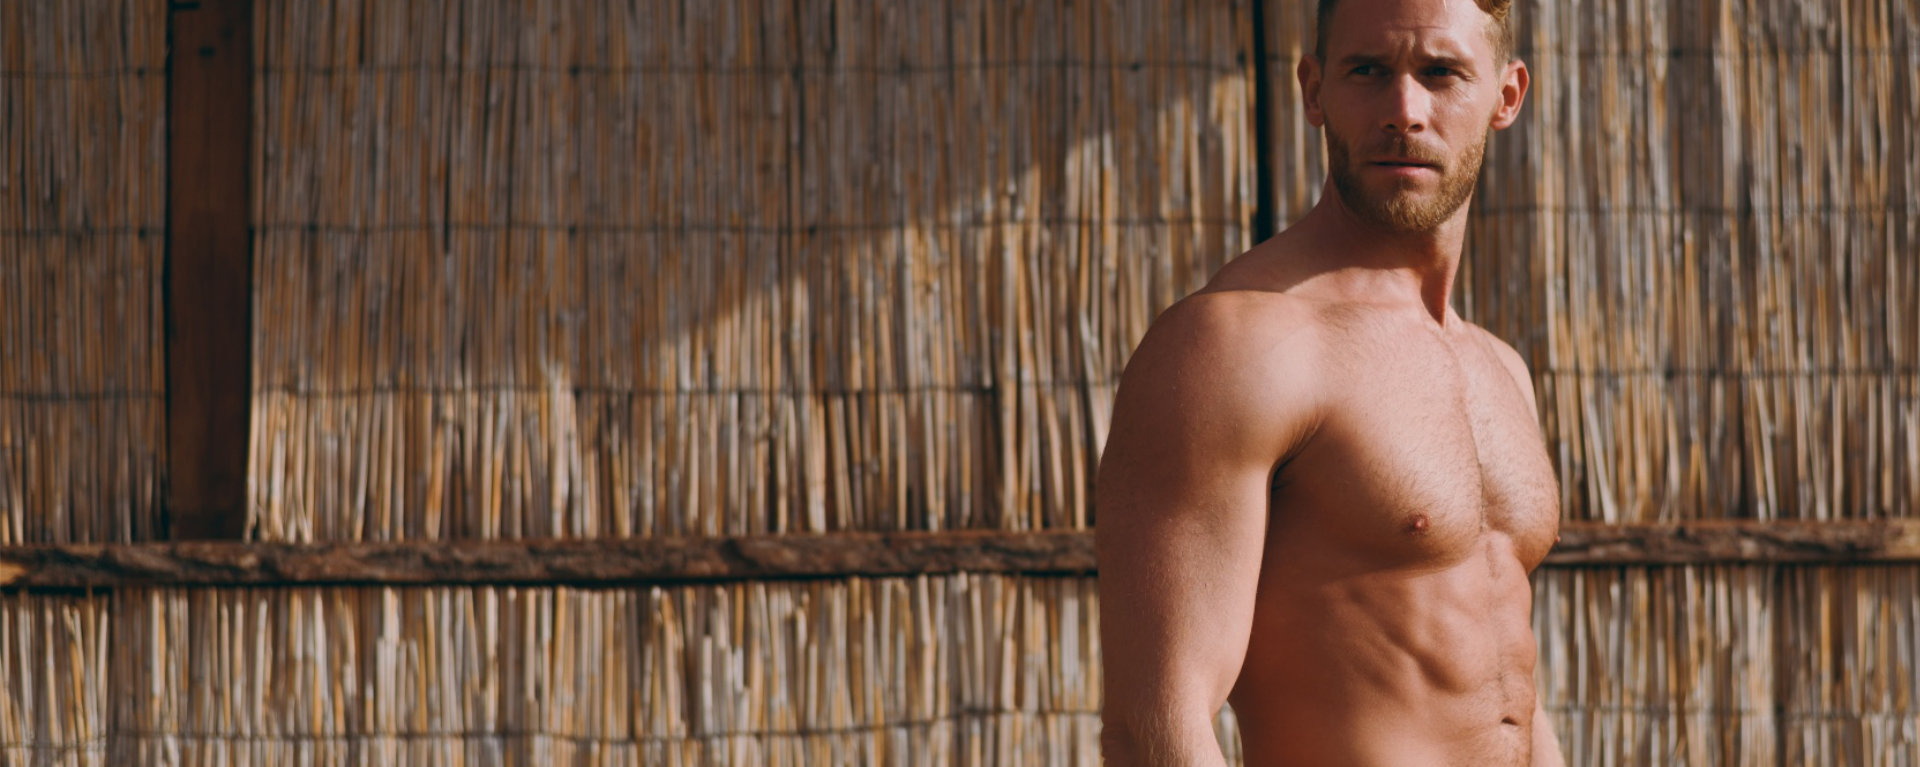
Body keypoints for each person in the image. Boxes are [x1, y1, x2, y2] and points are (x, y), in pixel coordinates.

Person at [1094, 0, 1565, 764]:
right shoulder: (1237, 345)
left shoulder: (1497, 368)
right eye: (1368, 72)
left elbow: (1505, 692)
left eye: (1441, 73)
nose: (1404, 111)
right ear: (1313, 90)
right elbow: (1156, 728)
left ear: (1507, 97)